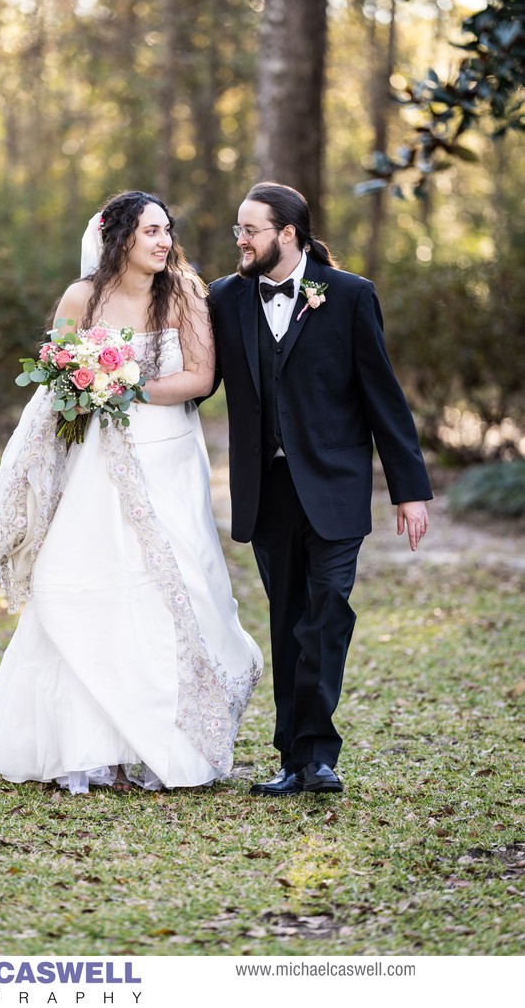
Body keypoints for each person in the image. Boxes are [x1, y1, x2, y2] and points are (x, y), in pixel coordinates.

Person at [0, 190, 262, 794]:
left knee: (177, 583)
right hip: (97, 457)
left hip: (169, 454)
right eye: (151, 231)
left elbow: (200, 376)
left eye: (167, 230)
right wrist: (88, 384)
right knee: (86, 579)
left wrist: (126, 383)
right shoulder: (82, 297)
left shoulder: (184, 290)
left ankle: (165, 743)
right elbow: (58, 373)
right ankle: (89, 747)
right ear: (119, 238)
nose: (163, 241)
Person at [208, 181, 432, 797]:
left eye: (250, 229)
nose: (240, 240)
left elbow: (381, 395)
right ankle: (292, 759)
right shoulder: (225, 299)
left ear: (287, 234)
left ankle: (319, 754)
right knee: (288, 620)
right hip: (267, 489)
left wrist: (408, 489)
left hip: (335, 484)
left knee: (328, 612)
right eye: (238, 229)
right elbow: (201, 382)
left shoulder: (350, 295)